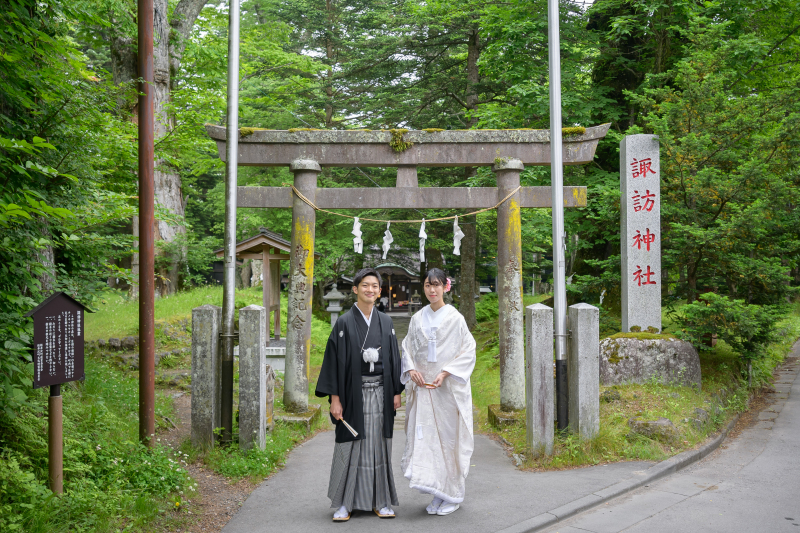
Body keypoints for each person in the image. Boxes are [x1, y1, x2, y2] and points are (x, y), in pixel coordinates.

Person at [315, 267, 404, 522]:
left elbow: (393, 359)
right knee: (350, 445)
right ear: (355, 289)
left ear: (379, 290)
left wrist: (397, 391)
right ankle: (344, 502)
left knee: (378, 446)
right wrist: (335, 398)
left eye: (375, 286)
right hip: (352, 395)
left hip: (381, 394)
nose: (370, 290)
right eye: (365, 285)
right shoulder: (344, 322)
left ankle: (381, 500)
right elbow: (332, 362)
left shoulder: (385, 322)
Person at [400, 268, 476, 516]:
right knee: (427, 440)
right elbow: (407, 348)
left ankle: (453, 494)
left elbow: (468, 350)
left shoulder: (455, 318)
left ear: (446, 287)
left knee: (448, 440)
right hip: (424, 390)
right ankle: (437, 492)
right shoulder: (417, 319)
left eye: (436, 285)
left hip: (446, 391)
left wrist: (446, 372)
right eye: (427, 285)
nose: (432, 290)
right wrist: (411, 369)